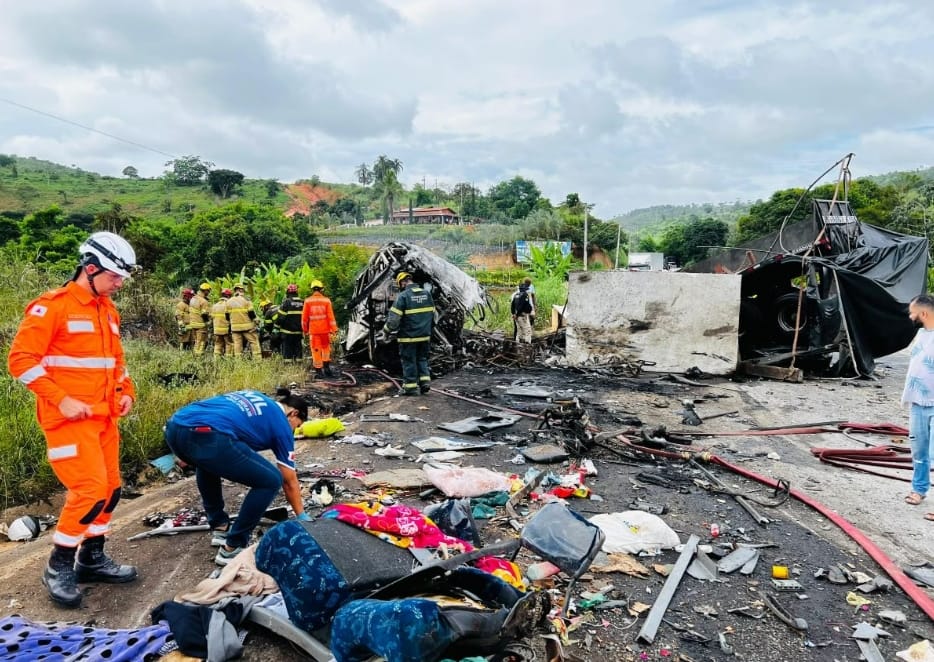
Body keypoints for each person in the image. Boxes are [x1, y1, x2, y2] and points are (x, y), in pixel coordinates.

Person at [7, 231, 139, 608]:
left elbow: (115, 362)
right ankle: (58, 565)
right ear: (91, 268)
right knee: (90, 491)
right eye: (114, 277)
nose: (119, 284)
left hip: (104, 418)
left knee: (111, 489)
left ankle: (91, 558)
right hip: (68, 421)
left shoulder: (107, 310)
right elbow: (20, 361)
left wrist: (126, 391)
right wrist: (61, 399)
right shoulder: (52, 307)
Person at [163, 389, 311, 565]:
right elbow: (289, 480)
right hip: (209, 434)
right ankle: (233, 546)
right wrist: (301, 515)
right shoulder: (281, 425)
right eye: (298, 425)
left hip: (175, 426)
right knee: (271, 480)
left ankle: (219, 527)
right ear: (293, 413)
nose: (294, 430)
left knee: (207, 462)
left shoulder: (256, 396)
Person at [902, 293, 934, 523]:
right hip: (918, 403)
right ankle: (919, 489)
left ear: (924, 313)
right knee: (919, 450)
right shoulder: (922, 334)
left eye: (913, 312)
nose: (911, 316)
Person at [383, 272, 435, 395]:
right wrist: (427, 329)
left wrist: (386, 331)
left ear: (403, 282)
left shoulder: (403, 296)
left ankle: (410, 388)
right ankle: (425, 383)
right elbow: (434, 315)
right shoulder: (427, 294)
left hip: (408, 337)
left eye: (400, 284)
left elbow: (393, 320)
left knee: (409, 361)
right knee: (422, 359)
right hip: (424, 335)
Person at [302, 279, 338, 377]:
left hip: (314, 331)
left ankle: (319, 371)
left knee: (316, 350)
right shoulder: (326, 300)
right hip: (325, 330)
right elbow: (331, 316)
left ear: (312, 289)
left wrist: (305, 330)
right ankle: (326, 368)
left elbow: (304, 319)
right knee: (326, 349)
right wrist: (334, 329)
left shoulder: (308, 301)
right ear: (321, 289)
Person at [228, 283, 262, 359]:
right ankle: (257, 360)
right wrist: (255, 320)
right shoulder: (246, 300)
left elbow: (227, 316)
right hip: (247, 327)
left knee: (237, 344)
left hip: (235, 327)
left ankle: (238, 361)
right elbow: (251, 313)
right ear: (241, 290)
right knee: (254, 342)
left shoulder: (229, 301)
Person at [275, 283, 304, 360]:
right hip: (299, 332)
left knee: (287, 350)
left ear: (288, 292)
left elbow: (280, 318)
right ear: (296, 292)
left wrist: (276, 329)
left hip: (287, 332)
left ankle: (288, 367)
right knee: (298, 349)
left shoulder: (286, 302)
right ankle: (299, 364)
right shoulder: (302, 302)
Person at [188, 283, 212, 356]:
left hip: (193, 323)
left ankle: (194, 354)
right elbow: (204, 314)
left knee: (195, 341)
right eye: (208, 291)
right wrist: (208, 321)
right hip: (200, 325)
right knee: (201, 341)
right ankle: (198, 357)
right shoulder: (204, 301)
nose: (208, 293)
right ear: (205, 291)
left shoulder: (193, 298)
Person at [211, 288, 233, 358]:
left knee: (218, 344)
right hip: (226, 329)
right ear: (229, 296)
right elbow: (231, 317)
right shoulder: (229, 305)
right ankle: (228, 360)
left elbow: (212, 317)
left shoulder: (215, 305)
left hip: (217, 330)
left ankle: (216, 359)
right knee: (229, 344)